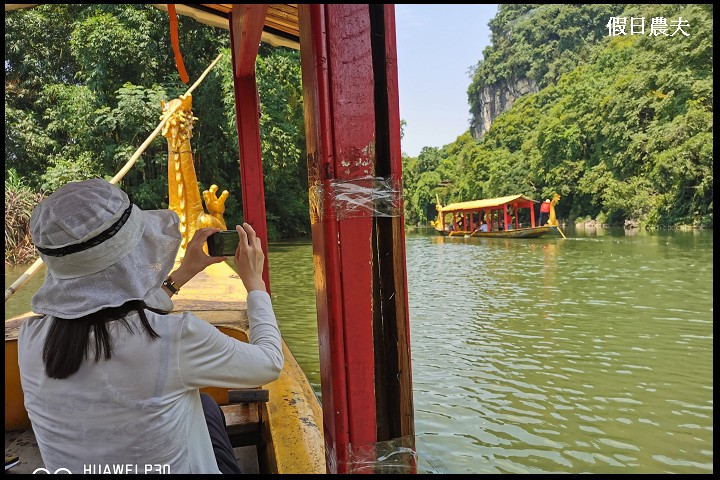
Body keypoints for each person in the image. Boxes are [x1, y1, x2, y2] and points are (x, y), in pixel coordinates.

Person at [18, 178, 283, 474]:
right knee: (205, 407)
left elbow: (109, 310)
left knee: (206, 407)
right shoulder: (177, 338)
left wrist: (182, 275)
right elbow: (269, 363)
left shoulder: (30, 340)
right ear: (136, 251)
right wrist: (255, 284)